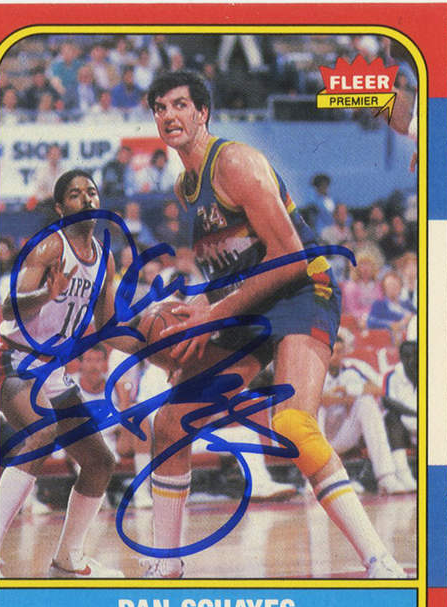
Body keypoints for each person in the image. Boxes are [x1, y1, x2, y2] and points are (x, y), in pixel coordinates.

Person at [141, 70, 406, 579]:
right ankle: (165, 565)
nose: (168, 115)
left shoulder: (235, 163)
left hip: (303, 288)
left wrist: (213, 314)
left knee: (293, 424)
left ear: (203, 113)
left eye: (179, 104)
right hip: (250, 302)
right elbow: (231, 266)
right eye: (159, 108)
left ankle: (380, 559)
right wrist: (195, 320)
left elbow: (289, 257)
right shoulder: (185, 186)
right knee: (171, 422)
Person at [0, 169, 129, 579]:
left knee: (100, 461)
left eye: (92, 191)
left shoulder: (104, 259)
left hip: (50, 367)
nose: (86, 199)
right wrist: (47, 294)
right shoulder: (49, 246)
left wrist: (159, 345)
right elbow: (7, 307)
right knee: (42, 431)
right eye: (75, 194)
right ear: (60, 207)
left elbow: (109, 328)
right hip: (13, 356)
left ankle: (68, 561)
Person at [319, 336, 409, 494]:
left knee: (366, 401)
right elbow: (314, 398)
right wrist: (344, 399)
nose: (335, 356)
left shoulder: (353, 367)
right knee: (316, 407)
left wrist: (348, 390)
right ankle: (316, 479)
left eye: (339, 352)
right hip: (317, 440)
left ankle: (386, 477)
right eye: (332, 352)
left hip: (343, 435)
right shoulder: (314, 370)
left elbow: (380, 388)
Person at [382, 341, 418, 492]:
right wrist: (416, 414)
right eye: (406, 356)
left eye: (415, 356)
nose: (411, 360)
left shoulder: (432, 372)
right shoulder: (391, 374)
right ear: (401, 358)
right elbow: (387, 401)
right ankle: (403, 473)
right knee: (391, 417)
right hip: (403, 427)